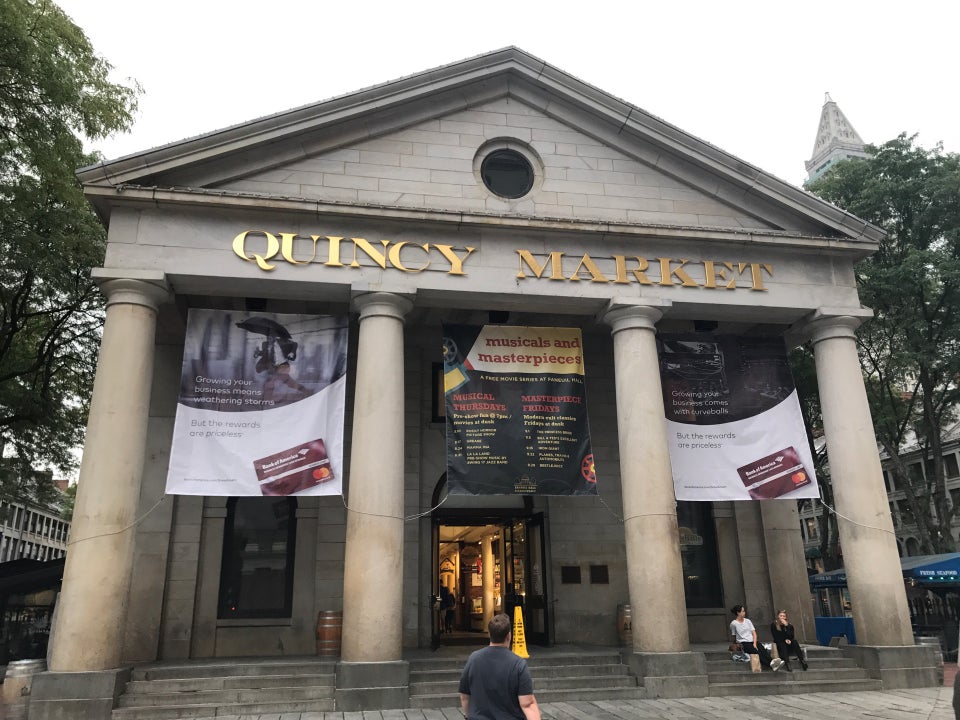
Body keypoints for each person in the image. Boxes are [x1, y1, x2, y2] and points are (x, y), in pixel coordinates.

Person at [459, 613, 541, 720]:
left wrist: (468, 715)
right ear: (509, 635)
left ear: (490, 634)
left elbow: (465, 696)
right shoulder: (518, 664)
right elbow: (527, 704)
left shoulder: (473, 659)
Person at [729, 605, 784, 671]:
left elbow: (754, 633)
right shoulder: (733, 624)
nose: (744, 612)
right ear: (738, 613)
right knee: (756, 651)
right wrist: (735, 643)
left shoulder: (748, 621)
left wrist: (755, 643)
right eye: (743, 611)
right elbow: (734, 635)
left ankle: (773, 662)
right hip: (743, 643)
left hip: (752, 640)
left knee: (762, 649)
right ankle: (771, 664)